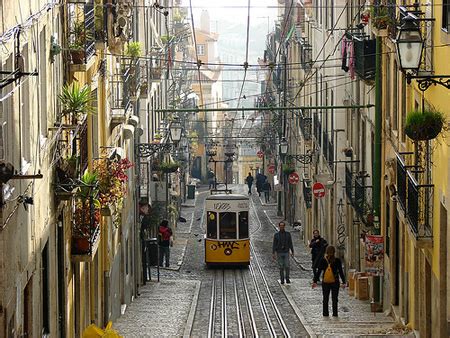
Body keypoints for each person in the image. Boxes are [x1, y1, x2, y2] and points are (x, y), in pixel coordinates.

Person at [312, 245, 346, 317]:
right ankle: (335, 313)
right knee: (334, 299)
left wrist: (315, 281)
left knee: (325, 298)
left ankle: (325, 313)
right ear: (334, 252)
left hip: (326, 282)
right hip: (335, 281)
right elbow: (340, 272)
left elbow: (319, 272)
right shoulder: (337, 260)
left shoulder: (323, 260)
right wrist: (343, 282)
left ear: (326, 252)